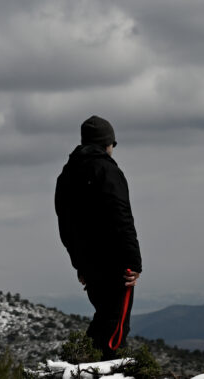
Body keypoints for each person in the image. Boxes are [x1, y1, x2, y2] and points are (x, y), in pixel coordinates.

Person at [54, 115, 142, 359]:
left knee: (104, 318)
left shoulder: (67, 175)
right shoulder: (108, 170)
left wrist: (80, 265)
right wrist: (134, 263)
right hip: (116, 265)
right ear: (107, 143)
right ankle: (100, 369)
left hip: (89, 267)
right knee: (115, 329)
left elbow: (66, 226)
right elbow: (121, 217)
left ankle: (80, 364)